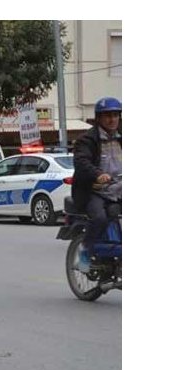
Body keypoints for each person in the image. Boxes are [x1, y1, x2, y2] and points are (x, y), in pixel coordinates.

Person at [72, 97, 122, 271]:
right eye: (107, 115)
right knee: (99, 218)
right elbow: (82, 161)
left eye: (115, 115)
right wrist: (98, 175)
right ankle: (86, 251)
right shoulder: (87, 140)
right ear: (99, 118)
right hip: (95, 191)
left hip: (120, 188)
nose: (112, 119)